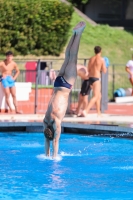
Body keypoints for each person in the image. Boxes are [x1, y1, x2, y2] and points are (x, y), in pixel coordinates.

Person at [43, 21, 86, 158]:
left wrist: (54, 157)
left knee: (73, 57)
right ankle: (74, 34)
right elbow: (47, 141)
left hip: (66, 85)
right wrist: (46, 154)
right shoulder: (45, 119)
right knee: (67, 56)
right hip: (57, 84)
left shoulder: (56, 120)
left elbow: (55, 141)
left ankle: (78, 34)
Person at [82, 46, 107, 117]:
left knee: (99, 96)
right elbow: (104, 70)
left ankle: (99, 113)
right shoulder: (101, 59)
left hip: (90, 78)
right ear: (101, 51)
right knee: (96, 96)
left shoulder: (91, 59)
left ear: (94, 51)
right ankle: (86, 110)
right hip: (96, 78)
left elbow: (88, 69)